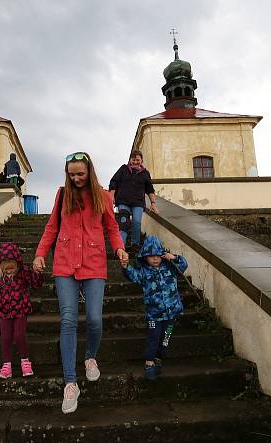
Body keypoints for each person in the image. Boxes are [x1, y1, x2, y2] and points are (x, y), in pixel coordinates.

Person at [33, 151, 129, 414]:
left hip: (94, 262)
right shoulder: (62, 195)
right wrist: (41, 254)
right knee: (68, 320)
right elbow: (52, 227)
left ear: (89, 172)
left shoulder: (103, 196)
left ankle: (89, 357)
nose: (75, 178)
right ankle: (70, 382)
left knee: (95, 319)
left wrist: (119, 248)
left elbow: (111, 227)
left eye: (80, 174)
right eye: (71, 174)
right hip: (64, 263)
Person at [121, 235, 188, 381]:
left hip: (171, 314)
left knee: (165, 338)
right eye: (151, 256)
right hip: (154, 315)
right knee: (154, 336)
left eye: (158, 255)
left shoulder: (171, 267)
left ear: (162, 255)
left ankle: (159, 358)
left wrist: (174, 257)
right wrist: (126, 266)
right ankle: (149, 362)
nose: (155, 259)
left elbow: (184, 264)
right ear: (145, 257)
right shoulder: (144, 272)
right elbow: (134, 275)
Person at [0, 242, 43, 379]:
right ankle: (6, 366)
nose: (9, 271)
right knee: (5, 337)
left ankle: (25, 362)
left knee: (19, 335)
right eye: (6, 270)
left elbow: (36, 284)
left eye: (12, 268)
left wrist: (37, 273)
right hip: (4, 311)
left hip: (20, 309)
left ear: (17, 264)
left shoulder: (24, 273)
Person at [109, 149, 158, 249]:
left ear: (141, 161)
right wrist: (111, 196)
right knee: (123, 221)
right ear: (130, 160)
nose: (135, 162)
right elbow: (114, 181)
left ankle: (135, 244)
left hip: (138, 202)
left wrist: (153, 203)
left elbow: (149, 189)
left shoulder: (145, 173)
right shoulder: (123, 169)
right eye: (133, 160)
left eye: (137, 160)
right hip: (123, 201)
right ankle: (121, 245)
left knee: (136, 222)